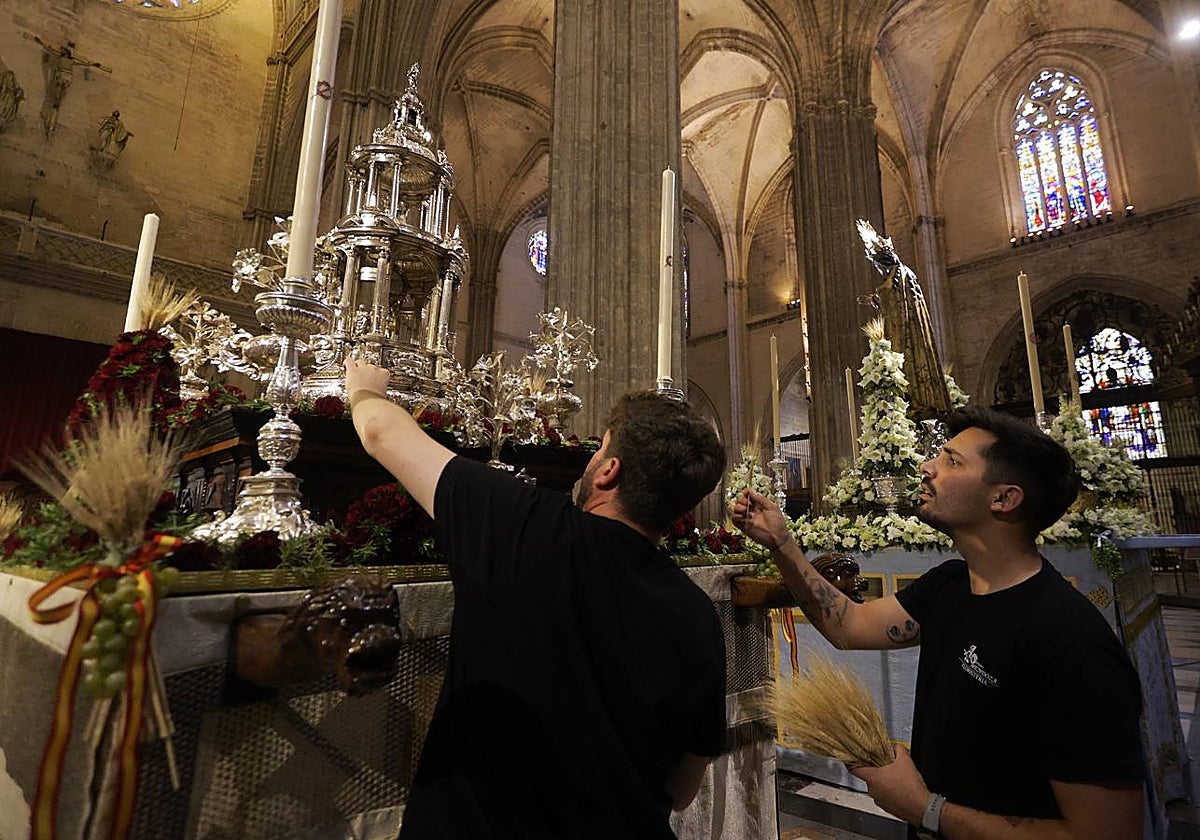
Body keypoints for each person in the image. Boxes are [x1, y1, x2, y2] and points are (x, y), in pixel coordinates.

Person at [344, 357, 728, 839]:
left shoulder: (520, 523)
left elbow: (379, 431)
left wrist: (365, 387)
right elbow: (683, 788)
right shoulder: (699, 616)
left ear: (608, 472)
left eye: (599, 449)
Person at [733, 405, 1144, 839]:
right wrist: (782, 542)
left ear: (1004, 499)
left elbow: (1106, 834)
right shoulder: (950, 584)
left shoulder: (1071, 644)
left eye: (952, 461)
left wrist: (925, 810)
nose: (927, 467)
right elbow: (849, 625)